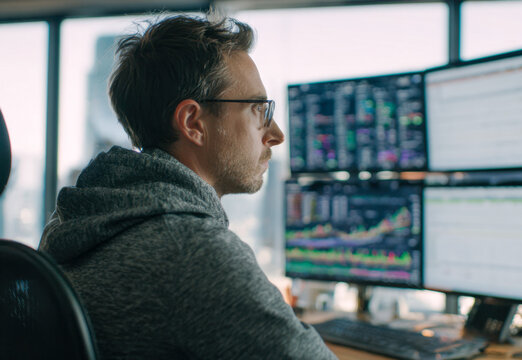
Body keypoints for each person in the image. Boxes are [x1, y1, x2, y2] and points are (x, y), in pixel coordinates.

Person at [39, 11, 337, 360]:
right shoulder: (194, 250)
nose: (276, 135)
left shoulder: (68, 225)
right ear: (193, 122)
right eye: (258, 110)